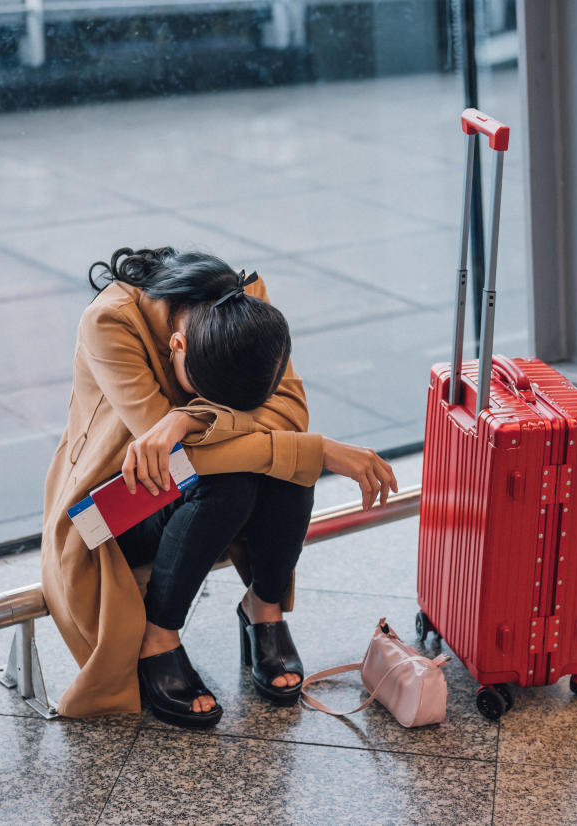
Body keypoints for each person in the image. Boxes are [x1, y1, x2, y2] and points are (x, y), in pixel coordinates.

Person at [40, 246, 397, 729]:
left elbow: (288, 413)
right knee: (255, 470)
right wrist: (319, 449)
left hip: (188, 487)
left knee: (286, 463)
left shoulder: (245, 304)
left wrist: (187, 417)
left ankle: (263, 608)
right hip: (108, 508)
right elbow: (177, 464)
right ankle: (158, 635)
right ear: (178, 346)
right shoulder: (109, 323)